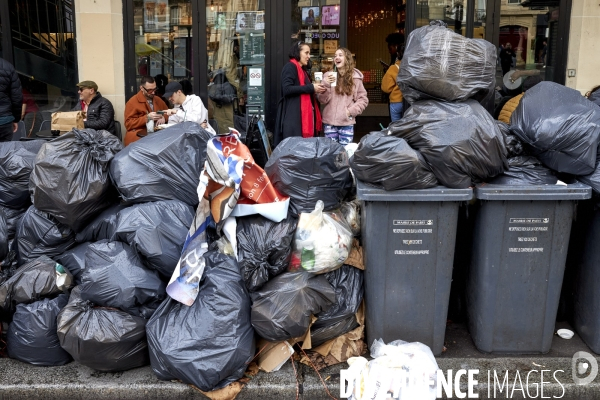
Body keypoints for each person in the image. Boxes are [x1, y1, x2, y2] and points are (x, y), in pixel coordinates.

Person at [274, 41, 325, 147]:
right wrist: (311, 87)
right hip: (294, 119)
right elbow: (287, 89)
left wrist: (315, 88)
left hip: (298, 118)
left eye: (309, 53)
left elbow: (303, 89)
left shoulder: (303, 71)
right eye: (306, 53)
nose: (308, 56)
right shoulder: (290, 67)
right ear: (297, 53)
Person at [317, 48, 368, 145]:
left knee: (344, 153)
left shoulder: (355, 78)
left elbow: (363, 99)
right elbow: (322, 99)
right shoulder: (328, 76)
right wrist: (326, 84)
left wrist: (350, 112)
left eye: (340, 55)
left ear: (347, 58)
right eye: (335, 56)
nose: (337, 57)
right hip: (329, 123)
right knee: (331, 154)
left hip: (346, 123)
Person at [124, 75, 169, 145]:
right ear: (141, 88)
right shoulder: (132, 102)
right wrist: (147, 118)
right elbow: (128, 124)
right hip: (139, 136)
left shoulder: (158, 99)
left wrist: (163, 117)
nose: (153, 92)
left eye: (155, 89)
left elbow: (167, 112)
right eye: (150, 90)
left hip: (156, 135)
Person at [381, 34, 405, 122]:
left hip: (396, 101)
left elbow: (386, 88)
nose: (389, 51)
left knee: (396, 127)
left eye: (390, 48)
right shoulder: (412, 65)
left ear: (396, 47)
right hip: (410, 101)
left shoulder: (394, 67)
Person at [0, 58, 23, 142]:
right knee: (6, 152)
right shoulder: (8, 66)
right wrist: (16, 119)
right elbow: (16, 97)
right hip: (4, 121)